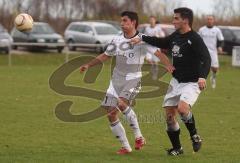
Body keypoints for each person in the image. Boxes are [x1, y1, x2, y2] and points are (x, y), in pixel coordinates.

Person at [79, 11, 174, 155]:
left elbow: (159, 54)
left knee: (122, 104)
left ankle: (139, 137)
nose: (121, 23)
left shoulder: (142, 40)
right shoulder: (117, 39)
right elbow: (106, 55)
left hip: (133, 79)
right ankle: (126, 147)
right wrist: (88, 65)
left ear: (133, 22)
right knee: (111, 114)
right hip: (116, 80)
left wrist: (168, 65)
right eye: (121, 21)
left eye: (125, 21)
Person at [131, 7, 211, 156]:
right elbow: (161, 42)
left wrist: (202, 77)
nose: (173, 21)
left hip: (192, 82)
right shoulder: (175, 36)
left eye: (176, 18)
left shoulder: (194, 38)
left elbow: (206, 58)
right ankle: (178, 148)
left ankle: (194, 136)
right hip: (176, 81)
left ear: (185, 20)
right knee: (169, 117)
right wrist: (141, 37)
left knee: (182, 109)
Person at [199, 15, 224, 88]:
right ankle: (201, 82)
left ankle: (213, 77)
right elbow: (197, 40)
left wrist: (220, 47)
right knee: (202, 67)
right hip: (203, 52)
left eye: (211, 19)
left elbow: (221, 40)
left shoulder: (217, 30)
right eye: (208, 19)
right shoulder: (201, 30)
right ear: (206, 20)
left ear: (213, 20)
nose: (209, 21)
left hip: (213, 52)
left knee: (215, 68)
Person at [144, 16, 166, 80]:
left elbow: (163, 35)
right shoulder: (147, 28)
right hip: (148, 47)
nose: (151, 21)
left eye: (152, 20)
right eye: (150, 20)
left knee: (155, 63)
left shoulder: (158, 28)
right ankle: (152, 68)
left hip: (156, 48)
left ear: (154, 21)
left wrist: (158, 35)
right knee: (148, 60)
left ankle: (155, 74)